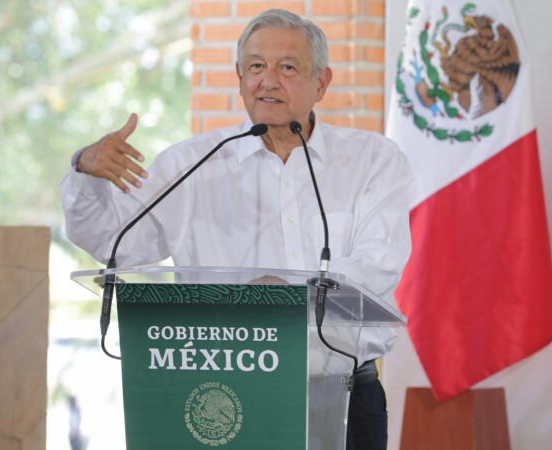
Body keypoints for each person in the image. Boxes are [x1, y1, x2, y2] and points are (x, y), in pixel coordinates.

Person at [61, 9, 412, 450]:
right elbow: (112, 243)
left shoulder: (372, 161)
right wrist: (85, 173)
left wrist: (282, 293)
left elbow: (376, 267)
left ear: (321, 83)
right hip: (225, 397)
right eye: (255, 67)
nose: (268, 81)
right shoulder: (192, 164)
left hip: (342, 392)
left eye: (287, 67)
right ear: (239, 76)